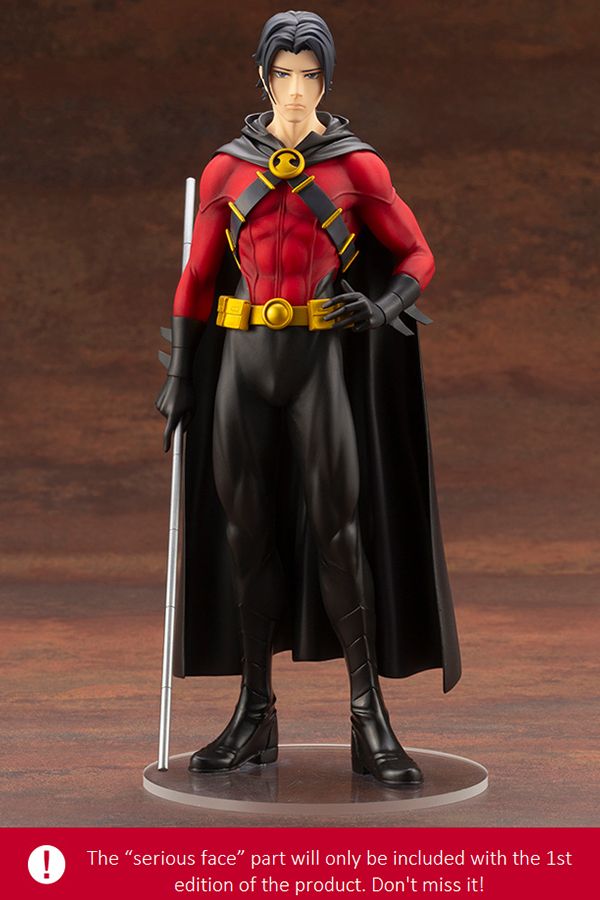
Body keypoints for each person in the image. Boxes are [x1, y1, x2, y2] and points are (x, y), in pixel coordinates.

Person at [156, 10, 460, 787]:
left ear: (327, 81)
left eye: (310, 76)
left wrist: (384, 307)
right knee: (246, 537)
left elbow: (419, 254)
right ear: (263, 77)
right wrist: (182, 374)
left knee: (340, 537)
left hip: (317, 361)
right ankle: (254, 714)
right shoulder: (227, 170)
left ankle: (369, 718)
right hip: (243, 364)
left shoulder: (357, 167)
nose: (295, 91)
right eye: (283, 74)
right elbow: (197, 276)